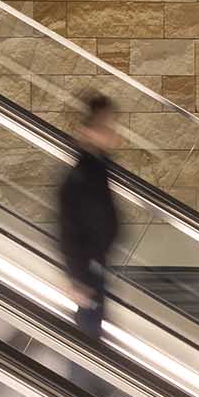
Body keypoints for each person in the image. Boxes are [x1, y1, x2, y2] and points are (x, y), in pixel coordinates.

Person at [56, 90, 120, 347]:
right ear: (87, 130)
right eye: (105, 125)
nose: (112, 133)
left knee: (94, 332)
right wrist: (77, 278)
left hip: (96, 265)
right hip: (88, 271)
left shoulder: (97, 167)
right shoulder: (81, 174)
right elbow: (68, 228)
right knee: (87, 337)